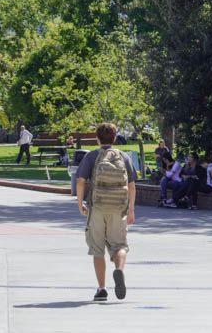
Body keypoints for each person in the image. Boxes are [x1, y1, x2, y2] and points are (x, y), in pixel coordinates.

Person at [76, 122, 137, 302]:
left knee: (97, 249)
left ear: (97, 138)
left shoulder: (92, 157)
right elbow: (132, 186)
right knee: (120, 246)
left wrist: (80, 203)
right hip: (119, 209)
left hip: (97, 208)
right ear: (115, 138)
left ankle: (101, 289)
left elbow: (80, 181)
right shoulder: (124, 157)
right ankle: (118, 270)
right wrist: (131, 209)